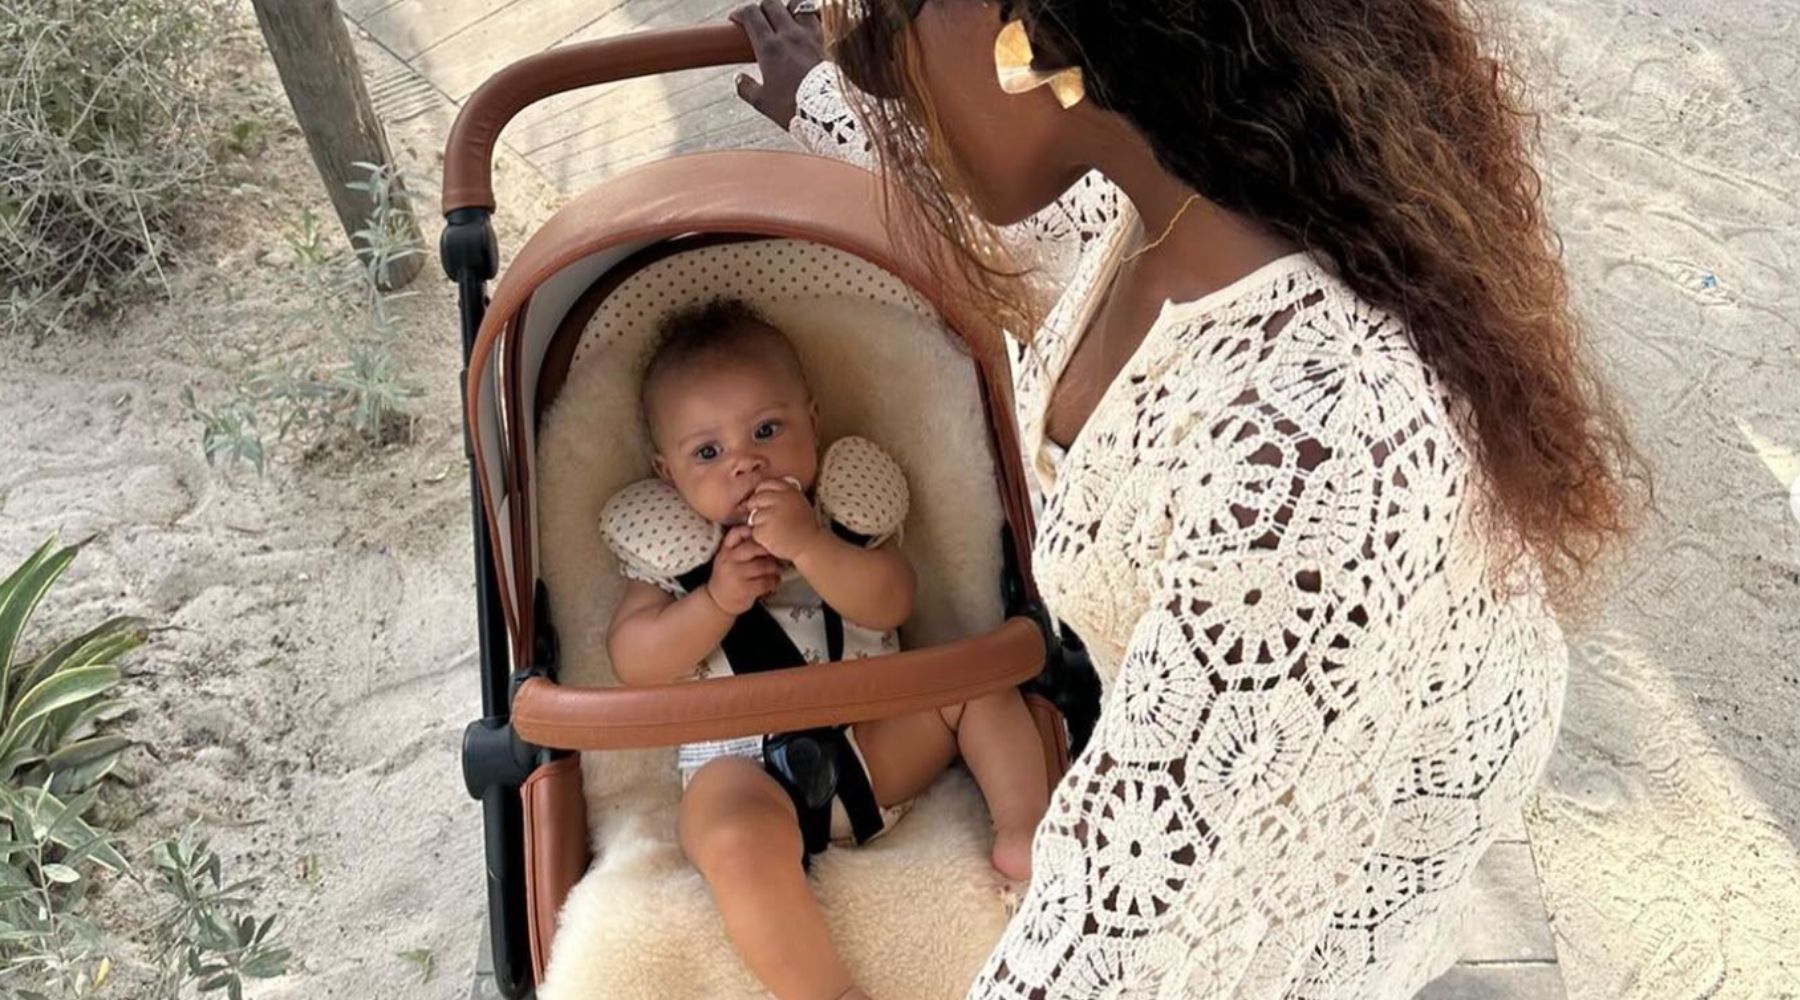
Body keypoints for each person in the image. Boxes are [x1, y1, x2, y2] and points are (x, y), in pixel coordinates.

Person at [729, 0, 1645, 996]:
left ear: (1034, 27)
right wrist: (823, 98)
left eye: (883, 22)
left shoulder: (1313, 452)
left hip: (1318, 867)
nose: (879, 71)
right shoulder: (1170, 197)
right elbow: (1035, 234)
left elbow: (1118, 940)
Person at [604, 297, 1051, 1000]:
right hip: (744, 771)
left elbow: (891, 601)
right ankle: (825, 992)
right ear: (668, 474)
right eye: (709, 452)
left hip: (876, 747)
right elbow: (635, 659)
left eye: (767, 429)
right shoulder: (672, 559)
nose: (746, 464)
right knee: (727, 837)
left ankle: (1025, 836)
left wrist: (811, 546)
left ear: (812, 420)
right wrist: (714, 601)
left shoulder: (844, 521)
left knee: (977, 684)